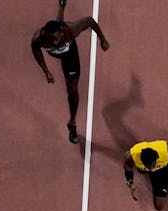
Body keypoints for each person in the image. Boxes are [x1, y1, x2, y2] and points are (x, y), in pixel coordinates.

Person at [31, 0, 111, 144]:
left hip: (70, 56)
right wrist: (46, 71)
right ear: (46, 36)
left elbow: (89, 21)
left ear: (61, 33)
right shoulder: (38, 39)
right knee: (59, 22)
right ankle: (62, 5)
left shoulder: (70, 30)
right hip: (58, 52)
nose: (57, 40)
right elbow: (36, 51)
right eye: (53, 38)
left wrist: (103, 40)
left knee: (72, 90)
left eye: (58, 36)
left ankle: (72, 122)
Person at [123, 115, 168, 211]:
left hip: (162, 171)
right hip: (148, 170)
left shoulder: (166, 151)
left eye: (153, 166)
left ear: (156, 156)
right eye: (149, 167)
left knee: (159, 206)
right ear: (141, 160)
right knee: (146, 172)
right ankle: (149, 175)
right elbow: (127, 165)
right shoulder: (133, 155)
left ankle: (156, 181)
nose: (152, 169)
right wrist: (130, 182)